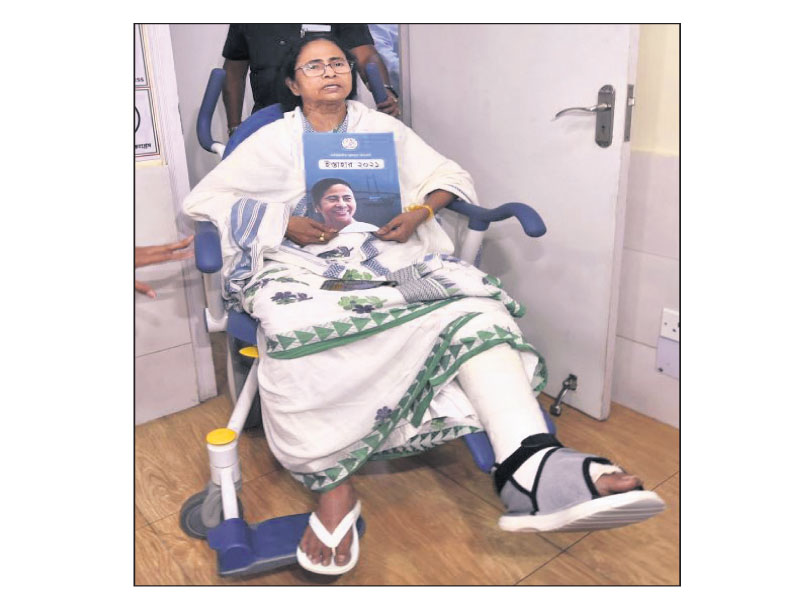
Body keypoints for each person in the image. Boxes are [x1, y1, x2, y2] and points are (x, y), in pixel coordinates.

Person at [183, 35, 664, 576]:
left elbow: (448, 176)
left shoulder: (383, 130)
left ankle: (529, 464)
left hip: (387, 254)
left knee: (474, 306)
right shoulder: (272, 139)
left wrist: (420, 212)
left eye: (337, 63)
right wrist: (283, 222)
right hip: (303, 264)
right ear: (294, 84)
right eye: (313, 66)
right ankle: (334, 491)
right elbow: (206, 200)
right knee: (296, 326)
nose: (330, 72)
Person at [221, 24, 400, 139]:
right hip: (270, 121)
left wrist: (383, 90)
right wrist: (235, 127)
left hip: (332, 124)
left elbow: (365, 55)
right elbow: (234, 72)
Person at [309, 177, 379, 233]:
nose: (342, 205)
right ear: (317, 207)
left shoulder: (371, 232)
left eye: (347, 198)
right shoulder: (311, 235)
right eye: (333, 199)